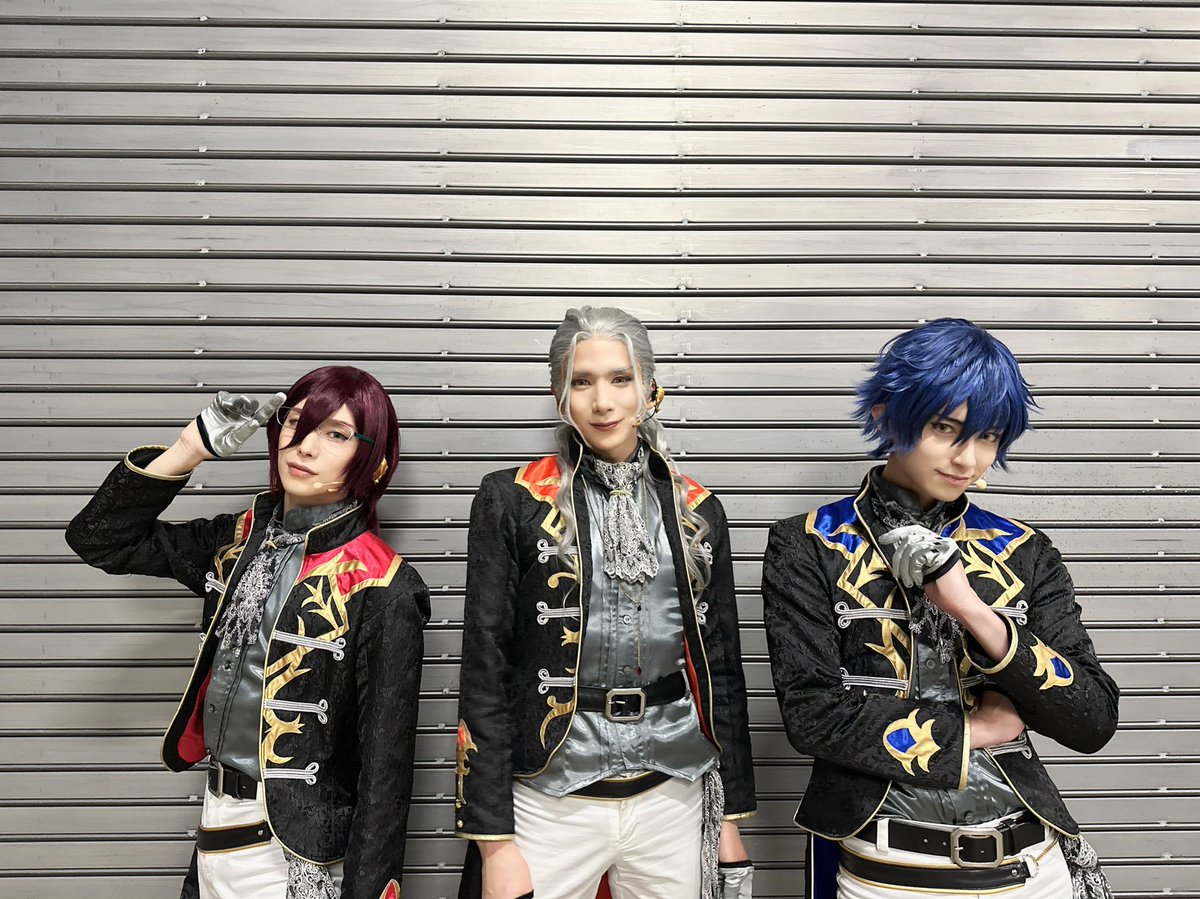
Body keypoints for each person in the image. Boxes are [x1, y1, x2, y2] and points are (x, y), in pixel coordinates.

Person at [762, 318, 1120, 898]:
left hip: (1033, 867)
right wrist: (975, 731)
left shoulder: (1024, 550)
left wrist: (975, 612)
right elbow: (813, 716)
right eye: (944, 428)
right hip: (888, 870)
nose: (968, 459)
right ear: (885, 414)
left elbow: (1092, 719)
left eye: (988, 437)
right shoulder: (808, 544)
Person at [66, 365, 429, 899]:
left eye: (336, 435)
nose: (304, 446)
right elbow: (98, 539)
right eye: (296, 423)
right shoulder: (236, 540)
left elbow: (386, 771)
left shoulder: (383, 585)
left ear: (373, 462)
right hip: (213, 831)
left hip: (298, 856)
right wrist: (189, 448)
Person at [454, 306, 756, 899]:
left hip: (674, 794)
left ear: (649, 388)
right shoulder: (511, 500)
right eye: (582, 382)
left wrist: (729, 815)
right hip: (549, 798)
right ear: (559, 395)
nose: (603, 401)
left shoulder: (698, 510)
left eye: (620, 379)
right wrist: (493, 841)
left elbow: (721, 669)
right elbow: (484, 670)